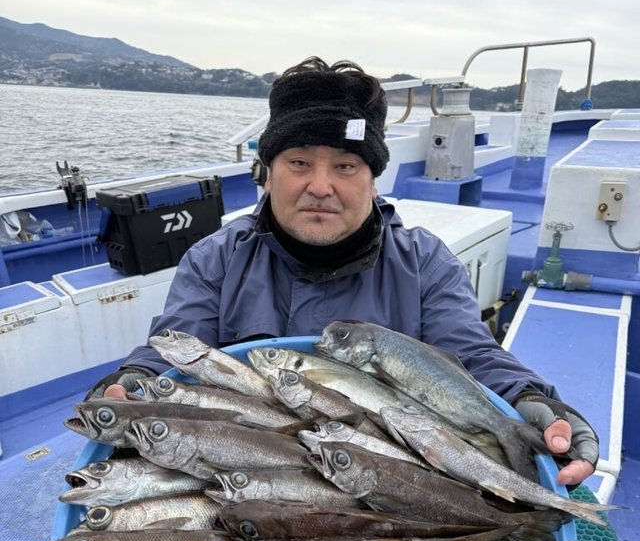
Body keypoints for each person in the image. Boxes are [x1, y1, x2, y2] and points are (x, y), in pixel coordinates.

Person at [90, 56, 598, 487]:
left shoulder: (424, 264)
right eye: (298, 162)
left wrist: (529, 400)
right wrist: (135, 380)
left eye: (346, 167)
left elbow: (469, 358)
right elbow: (177, 351)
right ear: (267, 174)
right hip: (248, 474)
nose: (320, 185)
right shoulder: (215, 260)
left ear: (375, 180)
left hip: (398, 479)